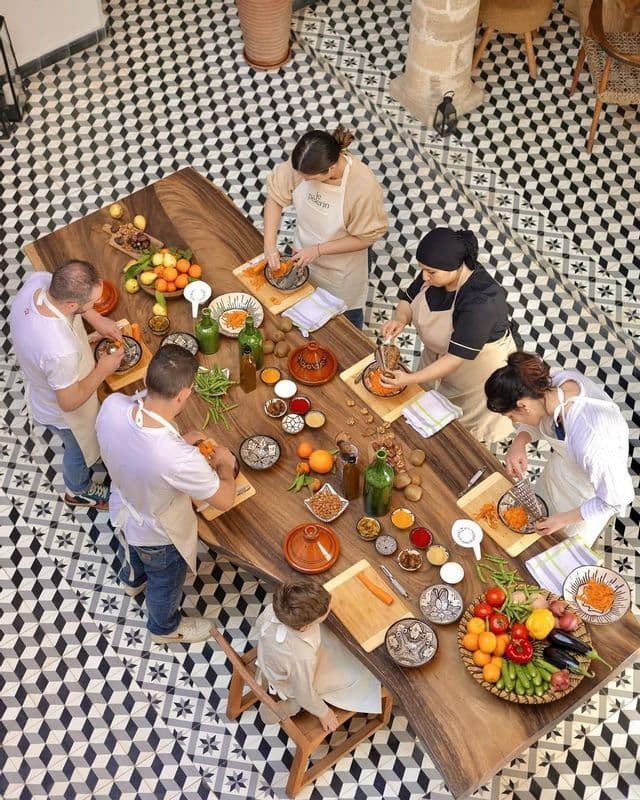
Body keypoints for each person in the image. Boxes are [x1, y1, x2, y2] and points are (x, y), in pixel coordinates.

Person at [96, 345, 237, 644]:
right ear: (184, 395)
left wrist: (182, 441)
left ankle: (133, 581)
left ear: (147, 381)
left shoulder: (113, 406)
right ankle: (164, 628)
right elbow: (224, 500)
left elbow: (136, 448)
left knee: (131, 551)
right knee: (165, 583)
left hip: (123, 504)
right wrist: (225, 466)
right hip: (159, 536)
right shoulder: (179, 459)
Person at [381, 227, 516, 443]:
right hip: (439, 352)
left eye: (431, 272)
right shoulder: (435, 274)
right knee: (423, 402)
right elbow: (407, 300)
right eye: (422, 269)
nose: (424, 276)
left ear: (456, 267)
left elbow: (454, 358)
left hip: (476, 371)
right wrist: (400, 319)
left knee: (459, 428)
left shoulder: (481, 301)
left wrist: (409, 378)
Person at [484, 352, 633, 546]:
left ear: (522, 405)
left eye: (512, 417)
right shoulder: (547, 386)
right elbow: (537, 415)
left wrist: (561, 520)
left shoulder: (592, 439)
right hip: (559, 473)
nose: (515, 422)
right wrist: (519, 442)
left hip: (584, 500)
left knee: (558, 548)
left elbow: (615, 499)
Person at [9, 260, 124, 509]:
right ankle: (78, 490)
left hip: (42, 379)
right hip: (62, 413)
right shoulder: (59, 350)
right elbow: (69, 402)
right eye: (92, 304)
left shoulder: (39, 282)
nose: (94, 307)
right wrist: (103, 369)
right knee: (79, 450)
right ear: (72, 305)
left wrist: (95, 319)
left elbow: (77, 306)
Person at [263, 125, 388, 329]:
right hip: (303, 255)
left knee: (343, 323)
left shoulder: (362, 186)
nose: (302, 180)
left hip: (341, 269)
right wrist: (269, 245)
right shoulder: (305, 163)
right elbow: (275, 198)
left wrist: (318, 250)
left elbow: (366, 238)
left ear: (330, 169)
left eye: (309, 179)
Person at [255, 581, 382, 732]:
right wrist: (324, 712)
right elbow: (304, 693)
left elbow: (259, 625)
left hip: (268, 659)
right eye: (325, 611)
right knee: (356, 672)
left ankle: (264, 677)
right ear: (305, 626)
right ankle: (285, 708)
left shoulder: (272, 610)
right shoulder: (302, 657)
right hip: (290, 683)